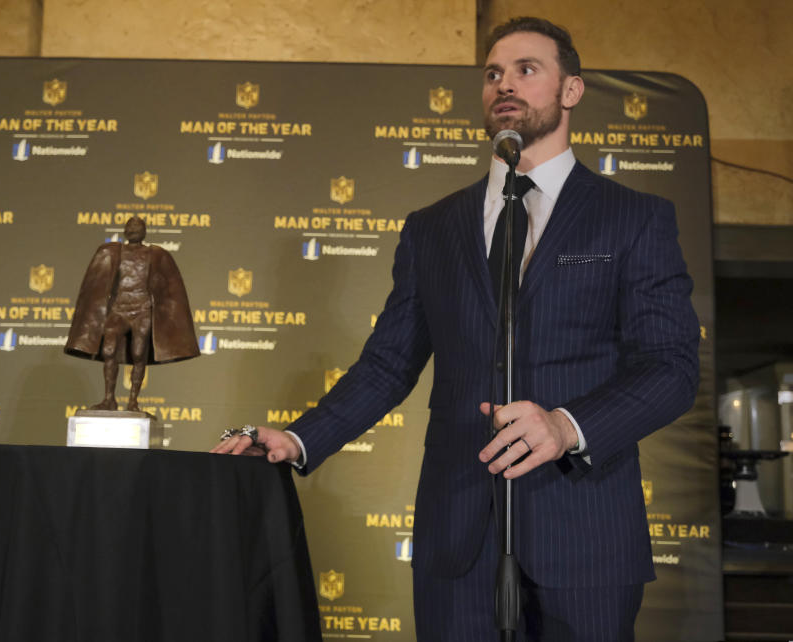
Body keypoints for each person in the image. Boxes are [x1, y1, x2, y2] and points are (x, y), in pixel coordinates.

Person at [212, 16, 699, 641]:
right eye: (494, 74)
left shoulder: (634, 218)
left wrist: (564, 425)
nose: (505, 85)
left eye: (527, 70)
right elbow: (389, 364)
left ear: (571, 91)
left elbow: (671, 368)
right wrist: (300, 439)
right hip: (457, 534)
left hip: (587, 532)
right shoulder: (432, 227)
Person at [65, 216, 199, 411]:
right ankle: (109, 399)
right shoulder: (112, 251)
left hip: (142, 309)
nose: (134, 228)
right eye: (130, 225)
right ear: (124, 231)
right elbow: (94, 284)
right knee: (109, 351)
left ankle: (133, 401)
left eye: (138, 226)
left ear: (145, 231)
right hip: (118, 309)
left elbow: (170, 288)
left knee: (138, 354)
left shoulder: (156, 254)